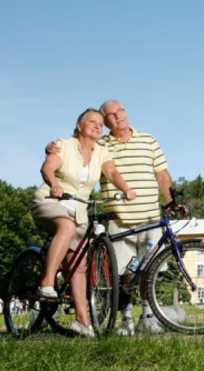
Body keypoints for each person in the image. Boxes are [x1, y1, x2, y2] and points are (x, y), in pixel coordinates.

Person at [47, 100, 175, 335]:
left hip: (150, 218)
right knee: (123, 273)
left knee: (150, 268)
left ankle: (147, 315)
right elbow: (77, 146)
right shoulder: (101, 145)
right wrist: (53, 147)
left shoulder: (148, 140)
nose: (118, 117)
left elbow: (162, 174)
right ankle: (125, 319)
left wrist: (170, 201)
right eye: (111, 115)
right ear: (105, 123)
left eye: (121, 111)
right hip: (119, 219)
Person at [34, 108, 135, 337]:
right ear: (79, 126)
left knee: (78, 266)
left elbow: (111, 173)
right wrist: (54, 184)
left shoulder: (102, 151)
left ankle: (83, 323)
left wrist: (126, 188)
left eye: (100, 123)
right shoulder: (64, 145)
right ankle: (47, 282)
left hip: (79, 211)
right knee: (66, 227)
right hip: (52, 201)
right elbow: (47, 168)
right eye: (91, 121)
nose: (97, 125)